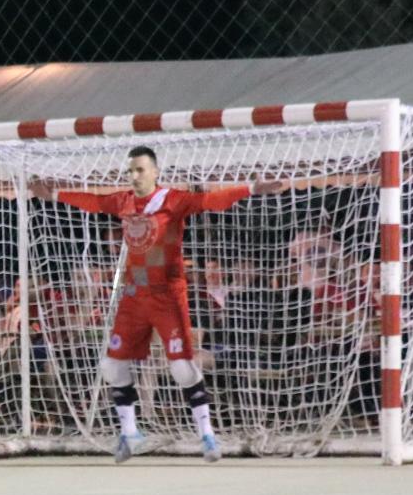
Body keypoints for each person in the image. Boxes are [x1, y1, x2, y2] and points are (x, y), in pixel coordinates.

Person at [29, 147, 282, 461]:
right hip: (134, 296)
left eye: (141, 170)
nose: (134, 176)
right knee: (111, 366)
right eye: (131, 171)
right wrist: (53, 194)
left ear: (156, 171)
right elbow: (92, 202)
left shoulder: (172, 200)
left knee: (181, 369)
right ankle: (130, 433)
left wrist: (252, 189)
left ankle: (207, 435)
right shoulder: (122, 201)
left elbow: (210, 202)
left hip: (167, 295)